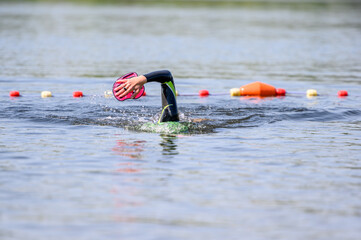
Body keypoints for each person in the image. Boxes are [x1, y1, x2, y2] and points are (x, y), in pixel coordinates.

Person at [114, 70, 179, 122]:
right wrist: (141, 79)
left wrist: (139, 80)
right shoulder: (171, 117)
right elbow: (167, 76)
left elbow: (167, 75)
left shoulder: (171, 117)